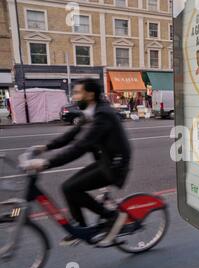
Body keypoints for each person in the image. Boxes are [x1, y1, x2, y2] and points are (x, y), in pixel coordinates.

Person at [25, 79, 132, 246]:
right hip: (105, 161)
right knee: (67, 187)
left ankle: (113, 216)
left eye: (77, 93)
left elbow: (81, 146)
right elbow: (71, 135)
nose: (74, 97)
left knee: (71, 188)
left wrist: (47, 164)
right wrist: (45, 147)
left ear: (89, 94)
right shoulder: (90, 112)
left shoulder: (103, 115)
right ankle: (81, 228)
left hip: (115, 166)